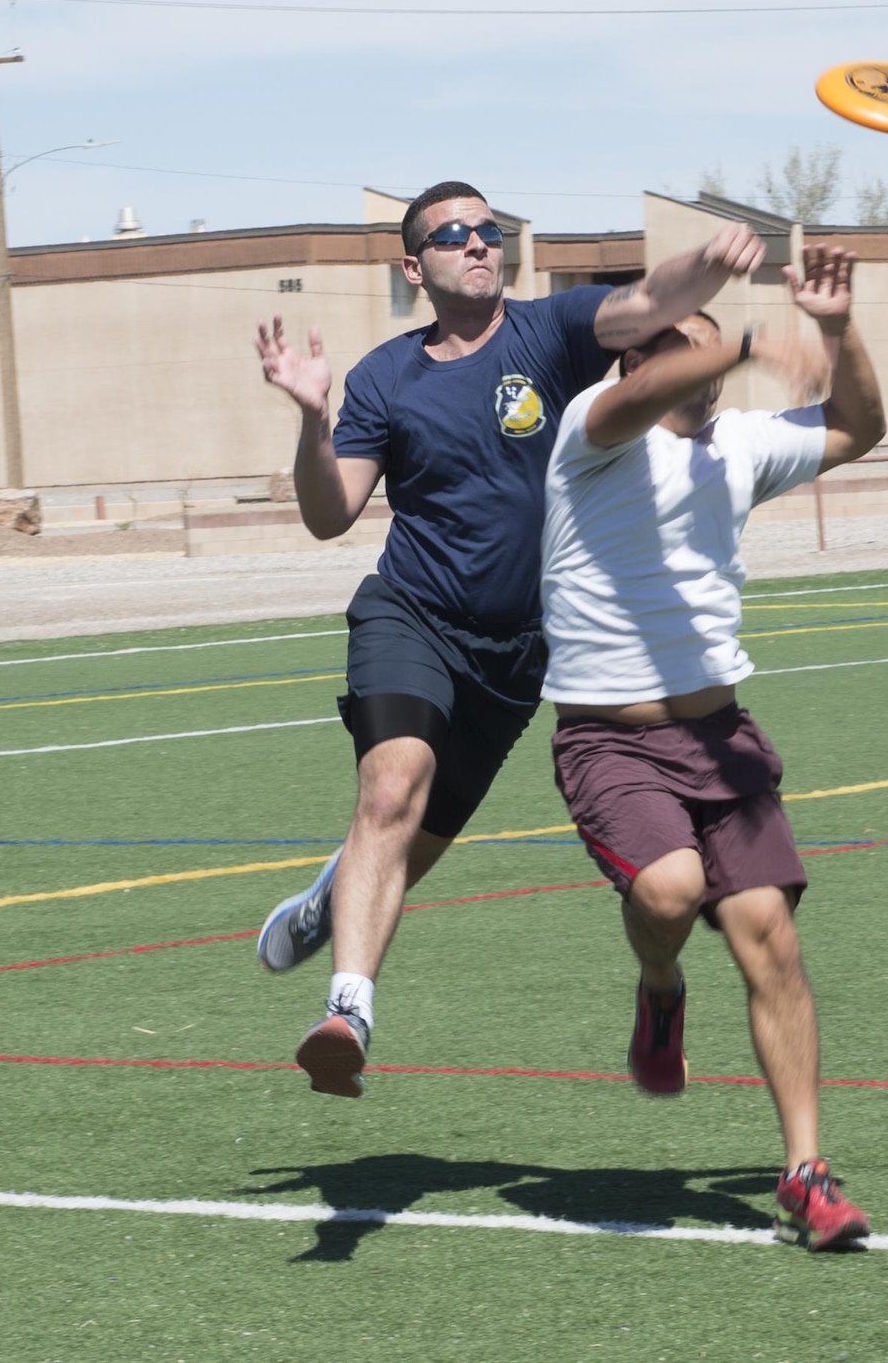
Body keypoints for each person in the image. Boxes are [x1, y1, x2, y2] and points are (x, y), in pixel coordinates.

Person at [250, 180, 766, 1097]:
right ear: (415, 266)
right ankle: (350, 1009)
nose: (480, 243)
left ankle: (335, 897)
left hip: (520, 652)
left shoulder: (550, 332)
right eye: (455, 234)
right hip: (411, 615)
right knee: (392, 783)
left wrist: (712, 264)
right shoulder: (384, 378)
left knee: (414, 846)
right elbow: (331, 516)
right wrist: (312, 420)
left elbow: (652, 302)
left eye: (490, 230)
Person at [540, 245, 884, 1251]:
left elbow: (860, 426)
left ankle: (806, 1175)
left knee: (770, 937)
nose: (692, 369)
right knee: (665, 893)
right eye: (670, 352)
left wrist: (832, 330)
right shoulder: (589, 434)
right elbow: (644, 390)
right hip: (609, 739)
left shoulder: (739, 445)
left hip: (721, 737)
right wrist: (742, 339)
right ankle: (660, 991)